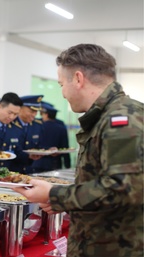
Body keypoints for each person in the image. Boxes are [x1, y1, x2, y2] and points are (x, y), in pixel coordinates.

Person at [13, 44, 143, 257]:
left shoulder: (120, 120)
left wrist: (55, 194)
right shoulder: (114, 114)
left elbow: (122, 190)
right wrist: (65, 200)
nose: (62, 93)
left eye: (62, 84)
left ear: (78, 79)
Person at [9, 95, 45, 174]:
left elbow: (39, 146)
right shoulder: (10, 124)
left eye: (36, 112)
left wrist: (45, 151)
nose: (34, 115)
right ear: (20, 109)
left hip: (29, 170)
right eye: (32, 111)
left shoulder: (37, 125)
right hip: (11, 171)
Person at [32, 103, 70, 172]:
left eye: (42, 114)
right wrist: (68, 166)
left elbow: (35, 145)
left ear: (46, 115)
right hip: (55, 164)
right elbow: (65, 148)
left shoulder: (38, 127)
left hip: (38, 163)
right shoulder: (61, 128)